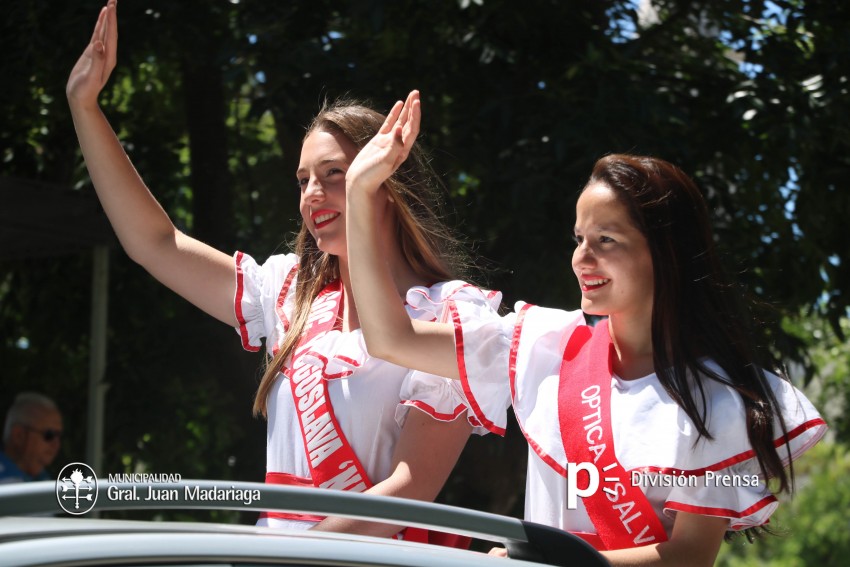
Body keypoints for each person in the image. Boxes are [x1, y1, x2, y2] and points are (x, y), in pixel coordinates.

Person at [66, 1, 498, 541]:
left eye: (334, 174)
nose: (313, 194)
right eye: (302, 181)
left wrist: (296, 555)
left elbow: (409, 489)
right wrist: (86, 109)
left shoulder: (453, 314)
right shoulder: (290, 292)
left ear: (386, 182)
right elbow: (156, 244)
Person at [343, 93, 828, 565]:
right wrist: (361, 192)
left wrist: (548, 563)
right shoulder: (541, 345)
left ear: (666, 253)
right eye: (579, 239)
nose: (582, 258)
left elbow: (688, 557)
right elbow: (392, 339)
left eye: (606, 239)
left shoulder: (717, 401)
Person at [1, 392, 63, 484]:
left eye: (59, 436)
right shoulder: (4, 482)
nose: (56, 444)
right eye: (49, 435)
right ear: (18, 435)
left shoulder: (42, 478)